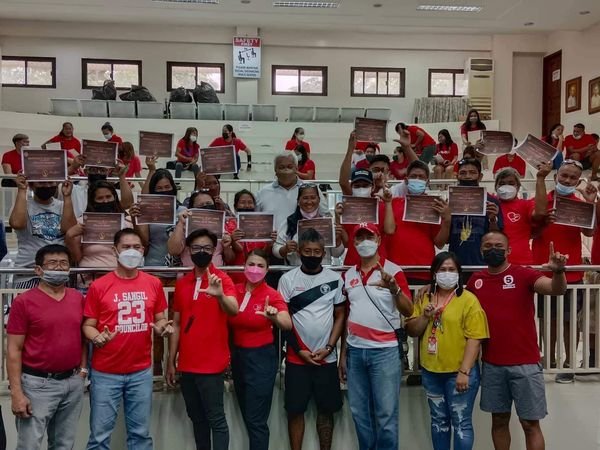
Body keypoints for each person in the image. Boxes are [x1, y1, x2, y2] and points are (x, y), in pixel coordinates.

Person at [467, 231, 568, 450]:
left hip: (526, 365)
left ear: (509, 250)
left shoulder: (524, 274)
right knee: (499, 421)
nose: (493, 249)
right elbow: (459, 305)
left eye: (498, 246)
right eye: (488, 246)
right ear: (481, 250)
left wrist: (558, 272)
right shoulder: (475, 281)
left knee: (530, 424)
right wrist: (431, 288)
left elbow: (556, 289)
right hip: (492, 365)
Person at [83, 228, 173, 450]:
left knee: (140, 435)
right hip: (105, 373)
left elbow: (160, 318)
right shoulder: (99, 286)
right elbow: (88, 325)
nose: (131, 251)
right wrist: (97, 337)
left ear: (143, 250)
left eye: (136, 247)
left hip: (141, 371)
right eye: (126, 247)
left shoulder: (153, 283)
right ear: (115, 250)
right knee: (99, 438)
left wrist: (162, 328)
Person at [339, 223, 413, 450]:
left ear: (379, 240)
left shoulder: (394, 271)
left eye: (369, 237)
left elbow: (408, 310)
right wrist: (343, 355)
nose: (365, 242)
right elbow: (347, 315)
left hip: (385, 353)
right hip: (355, 352)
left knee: (386, 416)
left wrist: (394, 288)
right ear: (353, 243)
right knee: (359, 414)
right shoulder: (348, 275)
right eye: (359, 238)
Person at [406, 251, 489, 450]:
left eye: (452, 269)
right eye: (442, 269)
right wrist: (425, 317)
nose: (447, 273)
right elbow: (412, 330)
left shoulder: (469, 300)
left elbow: (475, 338)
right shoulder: (424, 297)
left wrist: (464, 371)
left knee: (461, 423)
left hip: (459, 374)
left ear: (459, 274)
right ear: (434, 273)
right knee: (438, 422)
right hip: (431, 372)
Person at [7, 244, 87, 450]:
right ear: (38, 270)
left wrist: (82, 371)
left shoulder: (77, 298)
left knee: (64, 444)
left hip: (72, 382)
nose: (59, 268)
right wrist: (16, 393)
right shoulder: (23, 302)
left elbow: (82, 337)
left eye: (63, 263)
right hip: (37, 385)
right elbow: (14, 350)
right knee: (29, 445)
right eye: (52, 263)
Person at [167, 228, 238, 450]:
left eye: (207, 248)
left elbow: (234, 310)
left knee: (216, 419)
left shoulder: (222, 279)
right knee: (197, 419)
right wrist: (171, 360)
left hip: (212, 364)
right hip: (187, 364)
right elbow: (177, 324)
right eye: (196, 248)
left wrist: (220, 296)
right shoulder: (182, 283)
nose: (202, 252)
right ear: (189, 250)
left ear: (214, 250)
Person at [278, 228, 345, 450]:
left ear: (323, 252)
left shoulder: (335, 279)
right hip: (296, 358)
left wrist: (329, 347)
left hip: (326, 358)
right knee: (295, 410)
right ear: (299, 252)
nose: (313, 255)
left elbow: (340, 316)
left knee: (326, 410)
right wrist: (299, 351)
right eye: (307, 251)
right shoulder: (287, 280)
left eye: (317, 251)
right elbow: (283, 320)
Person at [532, 159, 597, 383]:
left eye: (572, 178)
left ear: (578, 181)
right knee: (547, 320)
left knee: (570, 322)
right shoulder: (542, 202)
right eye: (564, 176)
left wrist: (590, 204)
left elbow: (589, 233)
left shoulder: (580, 204)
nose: (567, 180)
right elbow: (530, 232)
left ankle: (568, 364)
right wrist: (543, 222)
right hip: (544, 273)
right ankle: (549, 361)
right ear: (556, 176)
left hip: (572, 274)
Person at [228, 250, 292, 450]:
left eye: (260, 266)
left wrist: (274, 316)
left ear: (267, 270)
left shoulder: (271, 294)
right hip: (238, 358)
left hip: (261, 360)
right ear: (244, 266)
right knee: (248, 415)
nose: (254, 269)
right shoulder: (234, 290)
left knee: (256, 420)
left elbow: (287, 323)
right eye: (251, 264)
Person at [385, 160, 451, 284]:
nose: (417, 179)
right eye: (413, 176)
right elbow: (388, 230)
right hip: (394, 271)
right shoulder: (393, 203)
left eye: (421, 177)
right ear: (406, 180)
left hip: (424, 271)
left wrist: (447, 220)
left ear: (427, 182)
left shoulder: (435, 207)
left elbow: (439, 243)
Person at [9, 173, 76, 289]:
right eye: (41, 182)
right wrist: (22, 190)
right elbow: (17, 224)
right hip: (28, 273)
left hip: (58, 273)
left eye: (50, 182)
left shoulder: (63, 205)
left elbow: (69, 230)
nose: (47, 186)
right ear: (32, 185)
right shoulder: (21, 205)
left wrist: (67, 196)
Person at [65, 181, 132, 277]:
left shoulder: (127, 222)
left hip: (121, 277)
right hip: (89, 278)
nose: (105, 201)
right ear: (92, 201)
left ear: (115, 197)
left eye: (108, 197)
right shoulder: (81, 223)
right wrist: (69, 236)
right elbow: (76, 258)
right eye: (100, 198)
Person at [449, 158, 503, 272]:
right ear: (457, 176)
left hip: (483, 264)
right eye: (463, 173)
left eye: (472, 172)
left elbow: (497, 236)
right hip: (456, 264)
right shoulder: (449, 202)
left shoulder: (492, 202)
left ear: (480, 176)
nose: (467, 176)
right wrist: (445, 218)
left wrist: (493, 219)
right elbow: (445, 240)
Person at [273, 183, 344, 266]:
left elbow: (337, 254)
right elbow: (275, 250)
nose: (309, 202)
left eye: (313, 198)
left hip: (323, 271)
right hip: (295, 271)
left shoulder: (328, 222)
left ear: (319, 200)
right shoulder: (289, 222)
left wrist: (337, 239)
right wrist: (285, 249)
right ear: (298, 201)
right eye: (305, 198)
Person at [256, 151, 327, 232]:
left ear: (296, 169)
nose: (286, 170)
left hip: (304, 239)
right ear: (275, 170)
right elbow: (254, 221)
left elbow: (325, 215)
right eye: (281, 167)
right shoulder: (263, 193)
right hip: (272, 239)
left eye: (290, 167)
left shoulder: (311, 189)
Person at [494, 164, 550, 265]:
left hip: (522, 262)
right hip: (495, 263)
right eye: (502, 183)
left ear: (518, 186)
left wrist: (540, 178)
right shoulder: (490, 205)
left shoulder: (526, 205)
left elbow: (540, 212)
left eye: (511, 183)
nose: (506, 186)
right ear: (496, 187)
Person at [336, 168, 391, 267]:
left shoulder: (382, 207)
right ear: (351, 187)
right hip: (353, 263)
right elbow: (347, 243)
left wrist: (388, 203)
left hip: (379, 263)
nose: (361, 189)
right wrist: (337, 218)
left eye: (365, 185)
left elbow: (389, 230)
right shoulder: (346, 210)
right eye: (357, 186)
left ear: (373, 187)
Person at [225, 189, 277, 284]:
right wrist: (232, 240)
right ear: (235, 206)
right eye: (242, 202)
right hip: (235, 276)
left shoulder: (262, 225)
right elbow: (229, 257)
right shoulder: (229, 226)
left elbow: (264, 254)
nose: (247, 205)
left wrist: (269, 244)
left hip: (257, 275)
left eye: (250, 202)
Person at [167, 191, 230, 267]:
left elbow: (229, 259)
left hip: (216, 273)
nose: (206, 207)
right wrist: (181, 223)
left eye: (209, 203)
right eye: (201, 205)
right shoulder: (184, 226)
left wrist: (227, 247)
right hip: (189, 273)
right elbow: (173, 251)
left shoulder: (222, 225)